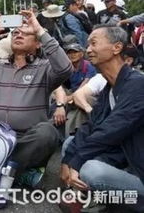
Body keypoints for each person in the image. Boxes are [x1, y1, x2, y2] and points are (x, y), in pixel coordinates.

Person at [0, 10, 72, 187]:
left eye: (26, 32)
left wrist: (40, 31)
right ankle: (14, 172)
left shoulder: (45, 69)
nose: (18, 34)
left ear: (37, 44)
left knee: (47, 133)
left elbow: (65, 69)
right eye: (15, 32)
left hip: (25, 139)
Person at [60, 25, 144, 211]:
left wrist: (77, 161)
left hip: (139, 167)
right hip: (124, 156)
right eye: (88, 44)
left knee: (91, 171)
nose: (88, 49)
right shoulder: (109, 88)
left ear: (117, 48)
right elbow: (91, 125)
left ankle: (124, 202)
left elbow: (112, 130)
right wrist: (68, 160)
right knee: (70, 144)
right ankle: (96, 197)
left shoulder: (138, 85)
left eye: (94, 43)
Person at [53, 43, 97, 136]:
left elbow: (83, 88)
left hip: (86, 94)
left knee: (76, 107)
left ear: (81, 54)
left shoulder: (88, 66)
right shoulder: (67, 67)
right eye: (69, 53)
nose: (72, 55)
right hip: (72, 93)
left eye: (75, 52)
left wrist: (65, 100)